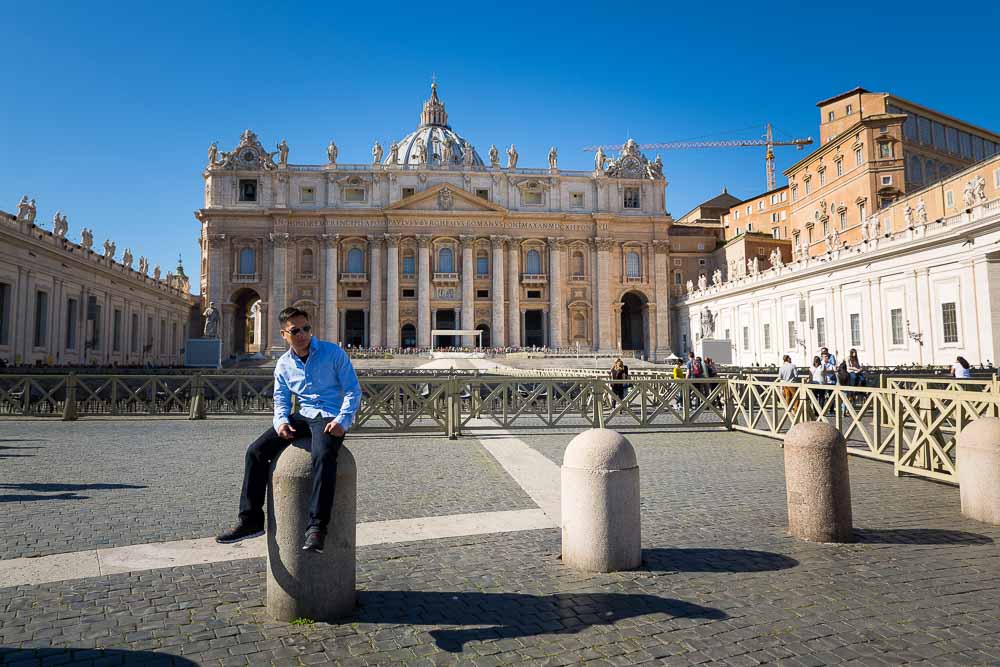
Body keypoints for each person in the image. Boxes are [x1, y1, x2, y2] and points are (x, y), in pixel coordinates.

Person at [216, 306, 361, 553]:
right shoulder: (283, 364)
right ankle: (250, 520)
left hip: (329, 416)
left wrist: (343, 420)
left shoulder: (332, 353)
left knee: (323, 455)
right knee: (255, 452)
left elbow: (352, 390)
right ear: (284, 334)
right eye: (296, 330)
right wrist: (281, 422)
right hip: (303, 415)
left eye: (306, 328)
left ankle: (317, 527)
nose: (304, 334)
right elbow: (281, 399)